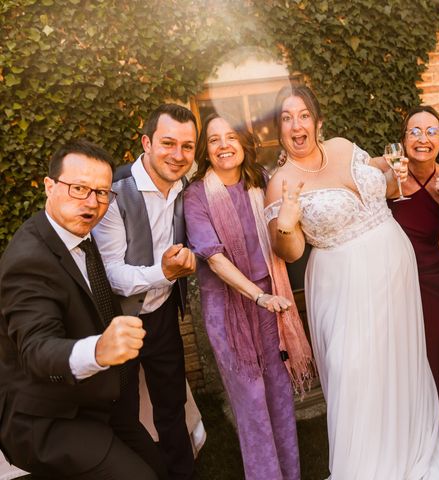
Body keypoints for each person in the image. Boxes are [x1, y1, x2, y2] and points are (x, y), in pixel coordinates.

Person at [264, 85, 439, 479]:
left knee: (398, 364)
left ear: (317, 122)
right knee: (352, 371)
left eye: (303, 115)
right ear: (279, 129)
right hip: (342, 283)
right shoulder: (280, 181)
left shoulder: (343, 146)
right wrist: (285, 222)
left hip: (394, 270)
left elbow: (381, 188)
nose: (296, 125)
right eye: (286, 118)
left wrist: (391, 170)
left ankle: (408, 450)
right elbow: (293, 251)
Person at [0, 139, 168, 479]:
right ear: (50, 186)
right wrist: (99, 349)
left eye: (102, 192)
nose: (92, 203)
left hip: (95, 402)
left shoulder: (76, 234)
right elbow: (36, 350)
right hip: (48, 418)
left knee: (157, 468)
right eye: (79, 189)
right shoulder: (29, 260)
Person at [184, 112, 313, 479]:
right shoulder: (196, 196)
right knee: (253, 404)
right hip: (229, 311)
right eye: (214, 140)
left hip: (273, 305)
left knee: (279, 396)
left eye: (231, 136)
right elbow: (214, 258)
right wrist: (258, 296)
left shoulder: (263, 183)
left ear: (243, 142)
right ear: (206, 151)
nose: (224, 145)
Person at [92, 104, 198, 480]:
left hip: (164, 313)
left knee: (172, 405)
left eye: (187, 146)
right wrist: (164, 271)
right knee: (125, 412)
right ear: (146, 142)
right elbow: (113, 275)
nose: (178, 155)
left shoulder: (186, 186)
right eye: (168, 143)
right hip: (119, 320)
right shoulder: (114, 193)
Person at [386, 106, 439, 394]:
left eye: (432, 132)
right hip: (402, 282)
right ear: (404, 140)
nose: (423, 139)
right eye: (415, 132)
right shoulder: (388, 181)